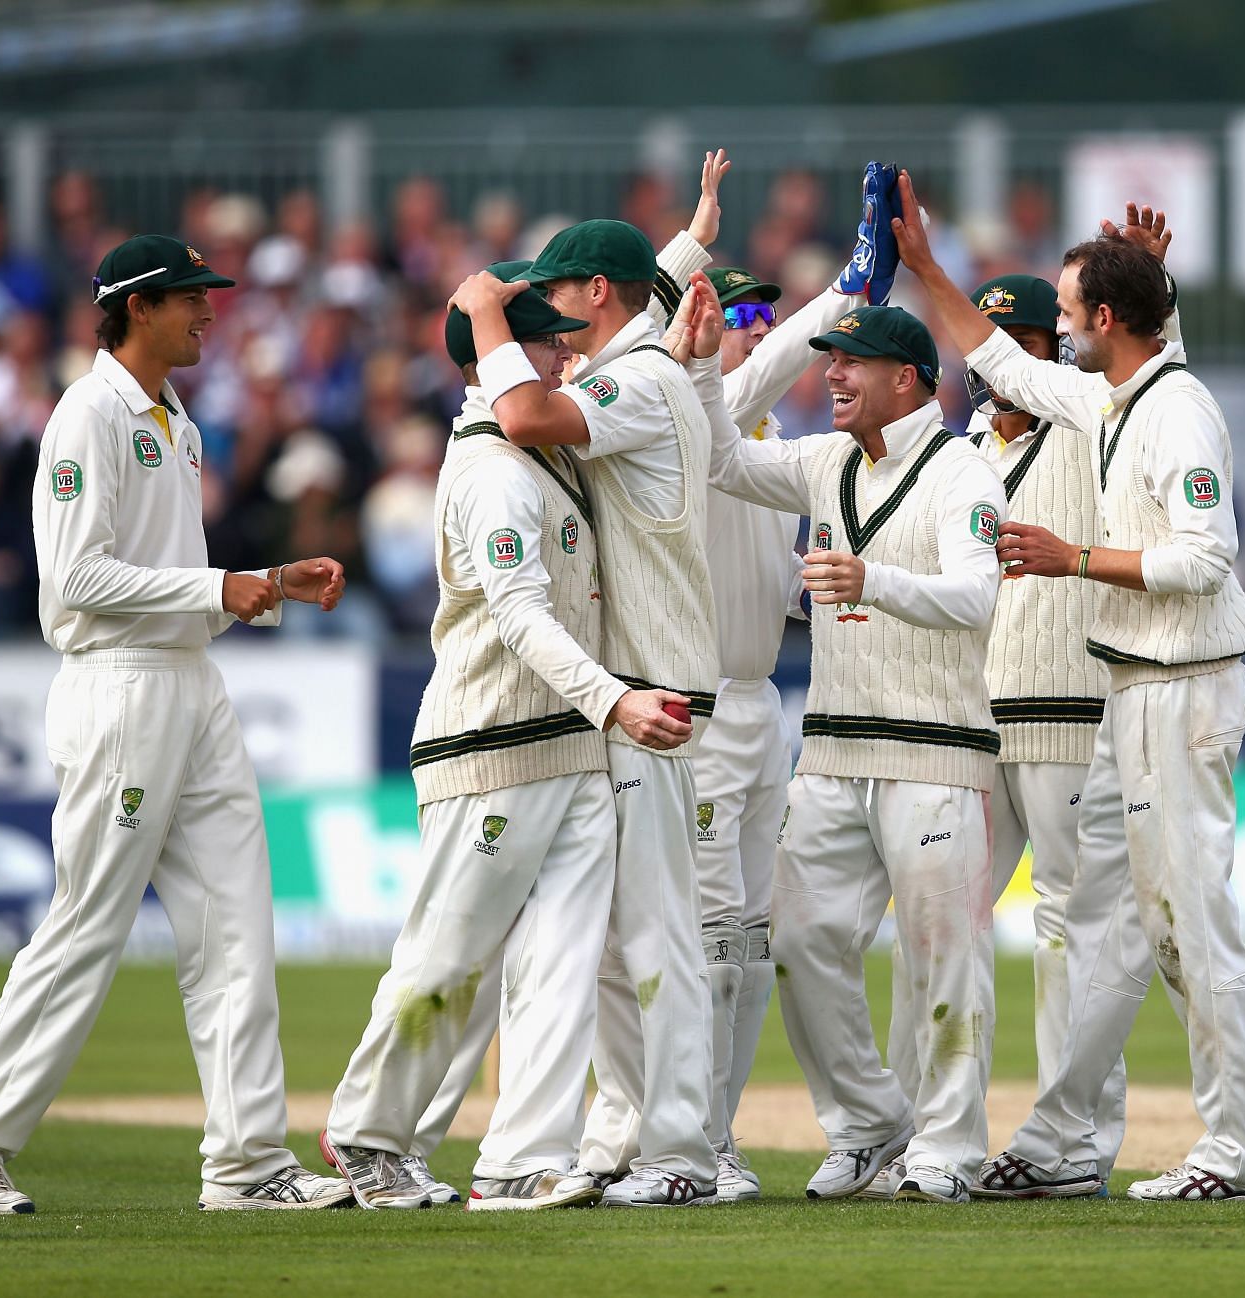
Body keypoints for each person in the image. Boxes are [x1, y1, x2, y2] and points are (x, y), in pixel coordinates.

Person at [0, 235, 351, 1215]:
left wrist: (264, 585)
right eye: (194, 297)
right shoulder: (88, 413)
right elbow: (72, 580)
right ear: (140, 305)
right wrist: (221, 584)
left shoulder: (176, 417)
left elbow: (172, 578)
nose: (211, 313)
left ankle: (247, 1161)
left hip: (191, 684)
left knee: (238, 927)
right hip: (117, 689)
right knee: (90, 923)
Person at [893, 177, 1245, 1202]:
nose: (1055, 331)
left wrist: (1075, 560)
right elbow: (993, 355)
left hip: (1184, 688)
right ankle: (1062, 1137)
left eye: (1068, 314)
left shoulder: (1177, 413)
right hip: (1131, 695)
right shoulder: (1115, 396)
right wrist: (927, 268)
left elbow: (1205, 556)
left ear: (1105, 320)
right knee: (1110, 923)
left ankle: (1239, 1148)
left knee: (1187, 921)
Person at [321, 274, 692, 1210]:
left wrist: (682, 349)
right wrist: (616, 702)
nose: (569, 354)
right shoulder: (489, 471)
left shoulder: (542, 458)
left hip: (568, 747)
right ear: (498, 357)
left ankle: (522, 1156)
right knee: (451, 953)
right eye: (549, 343)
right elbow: (521, 617)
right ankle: (369, 1135)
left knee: (559, 966)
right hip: (488, 743)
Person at [696, 285, 1007, 1205]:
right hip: (830, 753)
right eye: (829, 359)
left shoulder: (962, 474)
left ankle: (949, 1147)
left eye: (850, 362)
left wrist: (876, 578)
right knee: (798, 941)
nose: (831, 375)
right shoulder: (824, 459)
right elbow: (716, 457)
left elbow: (976, 598)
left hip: (936, 752)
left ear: (907, 380)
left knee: (943, 950)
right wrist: (710, 366)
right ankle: (871, 1126)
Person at [458, 217, 720, 1208]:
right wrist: (688, 246)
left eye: (557, 296)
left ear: (598, 293)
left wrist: (485, 320)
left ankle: (683, 1153)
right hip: (635, 690)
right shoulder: (645, 364)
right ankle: (644, 1135)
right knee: (620, 943)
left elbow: (524, 418)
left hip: (649, 687)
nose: (543, 315)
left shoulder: (640, 378)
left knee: (658, 937)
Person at [872, 272, 1126, 1201]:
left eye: (1024, 340)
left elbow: (1149, 372)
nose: (1003, 365)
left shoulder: (1096, 424)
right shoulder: (960, 451)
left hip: (1066, 708)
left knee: (1070, 927)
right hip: (976, 720)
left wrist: (1157, 297)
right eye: (995, 344)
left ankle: (1078, 1142)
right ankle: (918, 1135)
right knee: (942, 925)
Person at [685, 160, 900, 1201]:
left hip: (765, 704)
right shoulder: (695, 420)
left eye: (762, 312)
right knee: (712, 938)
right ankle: (701, 1138)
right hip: (691, 705)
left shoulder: (791, 455)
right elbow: (759, 375)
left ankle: (718, 1132)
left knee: (758, 937)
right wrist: (852, 283)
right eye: (740, 315)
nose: (754, 327)